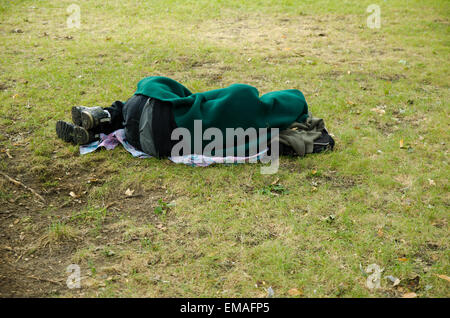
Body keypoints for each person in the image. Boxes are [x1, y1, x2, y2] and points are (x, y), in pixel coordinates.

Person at [56, 76, 334, 158]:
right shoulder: (258, 136)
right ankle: (96, 128)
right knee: (157, 109)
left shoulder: (243, 97)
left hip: (148, 111)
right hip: (155, 144)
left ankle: (104, 115)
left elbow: (199, 98)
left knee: (157, 87)